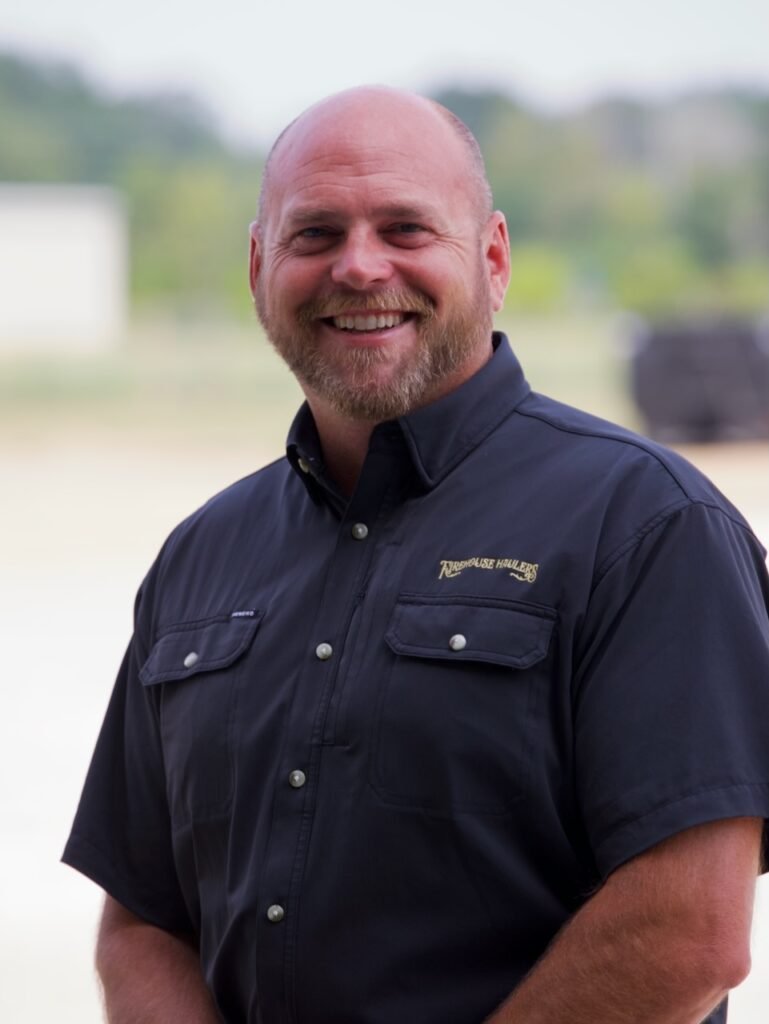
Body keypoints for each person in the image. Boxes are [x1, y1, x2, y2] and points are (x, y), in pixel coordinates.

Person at [63, 86, 769, 1024]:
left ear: (492, 256)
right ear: (256, 265)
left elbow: (688, 933)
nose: (358, 267)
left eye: (404, 228)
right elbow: (142, 921)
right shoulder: (201, 556)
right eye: (313, 234)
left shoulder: (646, 525)